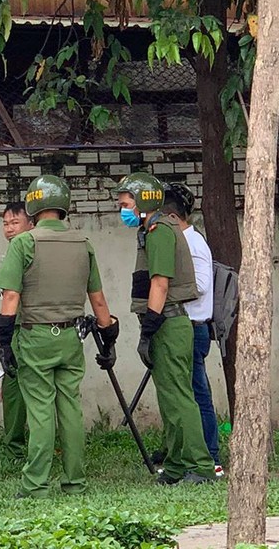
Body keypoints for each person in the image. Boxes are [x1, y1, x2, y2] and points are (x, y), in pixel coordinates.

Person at [0, 175, 118, 497]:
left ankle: (35, 484)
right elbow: (99, 301)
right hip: (71, 338)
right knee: (70, 408)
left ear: (33, 207)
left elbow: (10, 297)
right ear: (64, 206)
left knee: (40, 410)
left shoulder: (24, 243)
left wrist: (4, 340)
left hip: (35, 338)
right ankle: (74, 482)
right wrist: (109, 334)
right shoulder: (83, 244)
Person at [113, 172, 216, 484]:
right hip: (166, 323)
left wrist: (149, 330)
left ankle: (200, 466)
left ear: (143, 202)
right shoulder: (152, 230)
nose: (122, 208)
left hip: (168, 324)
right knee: (170, 399)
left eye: (126, 202)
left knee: (180, 397)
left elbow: (160, 282)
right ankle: (174, 467)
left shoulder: (159, 230)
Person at [161, 183, 223, 476]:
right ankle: (186, 451)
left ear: (171, 216)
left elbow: (199, 286)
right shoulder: (179, 240)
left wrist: (165, 291)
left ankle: (210, 455)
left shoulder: (192, 243)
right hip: (182, 326)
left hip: (193, 327)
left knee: (197, 394)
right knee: (186, 392)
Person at [0, 202, 34, 459]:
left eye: (15, 223)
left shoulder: (31, 250)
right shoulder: (12, 252)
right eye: (5, 223)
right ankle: (14, 448)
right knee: (11, 388)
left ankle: (32, 447)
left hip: (31, 329)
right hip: (15, 328)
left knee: (34, 390)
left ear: (30, 224)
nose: (9, 229)